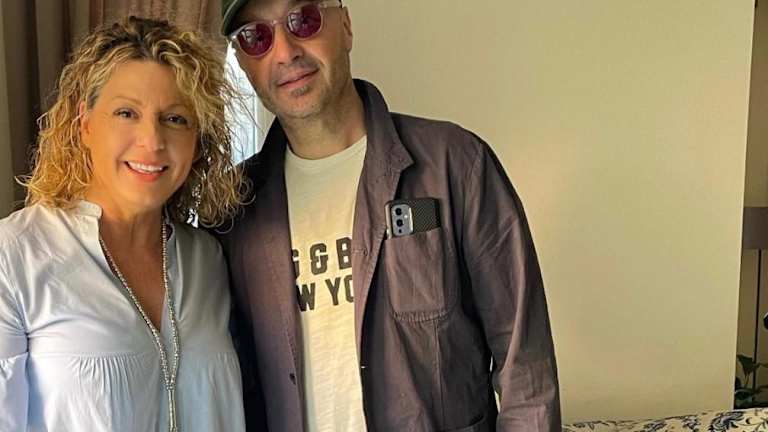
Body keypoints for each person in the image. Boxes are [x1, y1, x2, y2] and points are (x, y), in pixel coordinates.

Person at [217, 0, 561, 430]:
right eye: (256, 37)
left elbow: (525, 369)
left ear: (345, 25)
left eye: (303, 20)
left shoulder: (455, 163)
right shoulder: (231, 209)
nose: (285, 51)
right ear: (243, 63)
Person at [0, 16, 248, 432]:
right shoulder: (15, 257)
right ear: (84, 123)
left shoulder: (209, 260)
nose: (152, 141)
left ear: (197, 140)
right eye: (126, 113)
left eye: (175, 119)